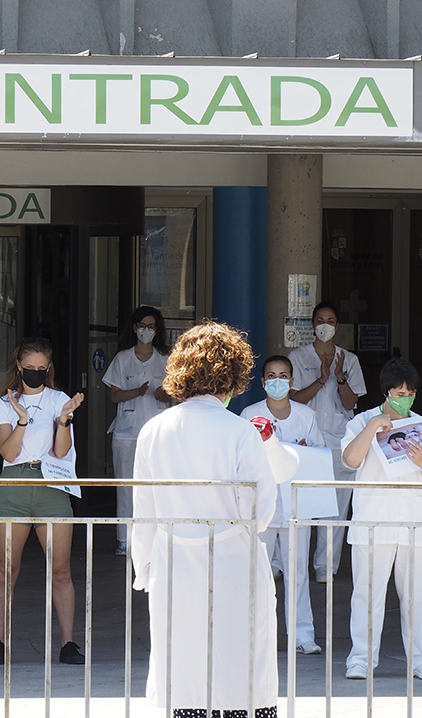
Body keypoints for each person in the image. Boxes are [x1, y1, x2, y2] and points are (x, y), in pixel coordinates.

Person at [131, 322, 278, 716]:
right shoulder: (239, 431)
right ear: (233, 374)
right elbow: (260, 509)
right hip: (232, 561)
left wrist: (143, 568)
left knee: (181, 661)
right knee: (240, 661)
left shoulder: (153, 430)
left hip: (173, 561)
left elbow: (143, 510)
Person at [341, 358, 422, 681]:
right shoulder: (362, 422)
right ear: (386, 392)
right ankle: (360, 659)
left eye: (410, 393)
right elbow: (349, 460)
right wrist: (373, 427)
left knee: (416, 593)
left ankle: (421, 660)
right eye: (399, 392)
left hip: (416, 518)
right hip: (374, 517)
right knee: (367, 593)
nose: (406, 398)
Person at [0, 337, 85, 665]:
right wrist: (23, 419)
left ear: (48, 369)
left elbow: (61, 451)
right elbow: (8, 452)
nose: (36, 374)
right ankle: (0, 642)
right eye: (30, 369)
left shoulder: (60, 400)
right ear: (19, 367)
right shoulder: (3, 404)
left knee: (61, 571)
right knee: (6, 570)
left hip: (51, 485)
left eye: (42, 369)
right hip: (14, 486)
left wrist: (64, 421)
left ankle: (68, 643)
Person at [241, 354, 325, 656]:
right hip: (261, 506)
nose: (278, 381)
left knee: (298, 571)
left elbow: (318, 452)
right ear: (263, 382)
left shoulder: (306, 415)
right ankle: (255, 634)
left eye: (284, 375)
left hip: (295, 507)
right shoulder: (250, 414)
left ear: (292, 380)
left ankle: (302, 634)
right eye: (272, 376)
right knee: (257, 572)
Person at [289, 301, 367, 583]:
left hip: (338, 440)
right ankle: (288, 563)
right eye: (320, 320)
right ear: (312, 325)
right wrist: (321, 380)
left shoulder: (350, 360)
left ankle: (326, 566)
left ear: (337, 326)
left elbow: (351, 402)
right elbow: (292, 398)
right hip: (305, 442)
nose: (325, 325)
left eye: (330, 320)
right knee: (301, 504)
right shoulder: (297, 357)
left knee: (335, 505)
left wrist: (339, 378)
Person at [102, 305, 170, 556]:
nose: (146, 331)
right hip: (127, 432)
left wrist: (163, 394)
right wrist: (138, 392)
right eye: (142, 326)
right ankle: (125, 538)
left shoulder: (165, 360)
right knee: (126, 486)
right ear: (134, 328)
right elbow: (115, 395)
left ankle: (156, 537)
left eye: (151, 326)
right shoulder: (123, 358)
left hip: (158, 431)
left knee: (156, 486)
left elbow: (172, 395)